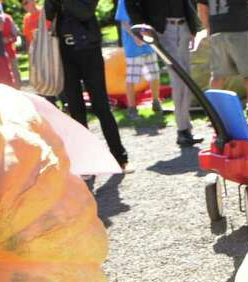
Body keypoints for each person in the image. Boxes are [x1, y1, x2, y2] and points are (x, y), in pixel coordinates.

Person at [46, 0, 130, 169]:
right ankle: (85, 161)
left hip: (89, 51)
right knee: (76, 109)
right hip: (65, 52)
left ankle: (119, 157)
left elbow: (84, 12)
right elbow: (49, 14)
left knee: (101, 106)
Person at [125, 0, 204, 147]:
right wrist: (141, 29)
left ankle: (185, 128)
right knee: (179, 79)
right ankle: (183, 130)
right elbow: (130, 4)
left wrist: (193, 28)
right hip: (163, 29)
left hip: (184, 26)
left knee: (187, 79)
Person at [195, 0, 248, 120]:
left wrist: (209, 29)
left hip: (217, 32)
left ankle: (215, 113)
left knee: (218, 76)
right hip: (239, 30)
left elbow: (202, 9)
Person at [115, 1, 164, 119]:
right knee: (132, 77)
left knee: (155, 73)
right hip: (133, 46)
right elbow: (124, 21)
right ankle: (132, 108)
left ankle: (156, 102)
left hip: (149, 44)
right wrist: (135, 36)